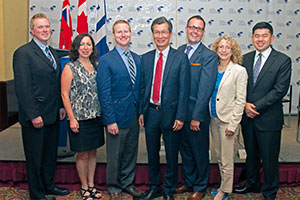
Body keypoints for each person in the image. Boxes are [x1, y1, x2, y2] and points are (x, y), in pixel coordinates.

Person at [12, 13, 70, 200]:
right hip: (35, 116)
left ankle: (48, 185)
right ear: (32, 30)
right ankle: (36, 194)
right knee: (35, 158)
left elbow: (56, 83)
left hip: (52, 114)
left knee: (48, 156)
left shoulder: (52, 52)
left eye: (47, 27)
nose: (45, 30)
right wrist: (33, 115)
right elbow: (23, 87)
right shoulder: (23, 53)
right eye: (40, 27)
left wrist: (61, 106)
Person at [233, 22, 292, 200]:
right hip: (247, 117)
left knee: (269, 157)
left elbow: (279, 90)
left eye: (264, 35)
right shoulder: (245, 59)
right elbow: (238, 86)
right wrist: (244, 104)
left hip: (268, 118)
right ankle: (252, 183)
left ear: (272, 37)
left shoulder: (283, 60)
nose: (260, 39)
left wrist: (255, 106)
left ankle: (269, 191)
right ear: (252, 38)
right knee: (251, 155)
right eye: (257, 36)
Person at [139, 16, 190, 200]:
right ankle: (154, 187)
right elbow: (143, 87)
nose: (160, 36)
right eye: (157, 32)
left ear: (170, 34)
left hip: (172, 115)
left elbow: (184, 90)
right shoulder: (145, 58)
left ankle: (168, 189)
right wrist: (141, 112)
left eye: (164, 32)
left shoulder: (180, 58)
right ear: (153, 34)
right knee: (152, 153)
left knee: (171, 154)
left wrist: (181, 116)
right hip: (151, 113)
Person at [96, 20, 143, 200]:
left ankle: (127, 183)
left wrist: (141, 113)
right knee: (115, 154)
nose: (123, 35)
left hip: (133, 115)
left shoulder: (137, 59)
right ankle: (114, 186)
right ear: (114, 35)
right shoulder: (106, 60)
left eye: (126, 31)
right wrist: (110, 120)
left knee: (131, 152)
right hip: (116, 116)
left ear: (130, 34)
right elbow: (104, 93)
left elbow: (139, 89)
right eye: (119, 32)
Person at [176, 15, 217, 200]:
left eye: (199, 29)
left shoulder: (208, 56)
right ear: (186, 29)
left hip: (196, 115)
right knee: (185, 151)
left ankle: (200, 186)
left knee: (199, 152)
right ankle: (189, 181)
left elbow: (205, 89)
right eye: (192, 27)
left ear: (203, 32)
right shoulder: (179, 50)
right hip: (180, 115)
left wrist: (197, 117)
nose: (195, 31)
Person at [61, 33, 104, 200]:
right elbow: (64, 94)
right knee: (83, 154)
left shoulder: (97, 66)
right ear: (76, 48)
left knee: (93, 152)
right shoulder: (70, 67)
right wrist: (71, 118)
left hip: (95, 118)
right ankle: (84, 187)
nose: (85, 47)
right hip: (79, 119)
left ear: (93, 47)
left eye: (89, 44)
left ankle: (92, 185)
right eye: (82, 44)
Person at [209, 35, 248, 200]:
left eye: (227, 47)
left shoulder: (239, 71)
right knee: (218, 154)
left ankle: (225, 189)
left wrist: (233, 125)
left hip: (228, 121)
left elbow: (240, 100)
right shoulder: (213, 68)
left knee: (226, 157)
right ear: (216, 50)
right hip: (213, 118)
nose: (224, 50)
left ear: (233, 51)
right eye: (221, 47)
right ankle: (222, 186)